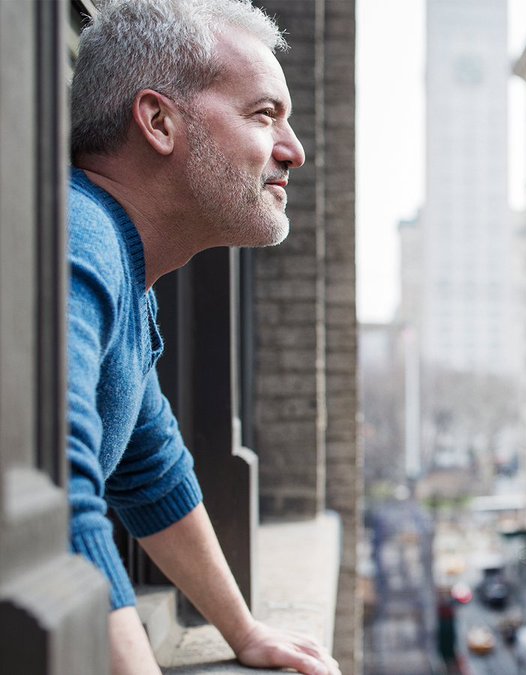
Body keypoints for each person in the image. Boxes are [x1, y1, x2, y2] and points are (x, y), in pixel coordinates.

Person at [67, 1, 337, 673]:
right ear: (159, 121)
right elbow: (52, 496)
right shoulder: (80, 240)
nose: (293, 150)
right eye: (263, 115)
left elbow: (147, 467)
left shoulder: (120, 265)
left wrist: (244, 631)